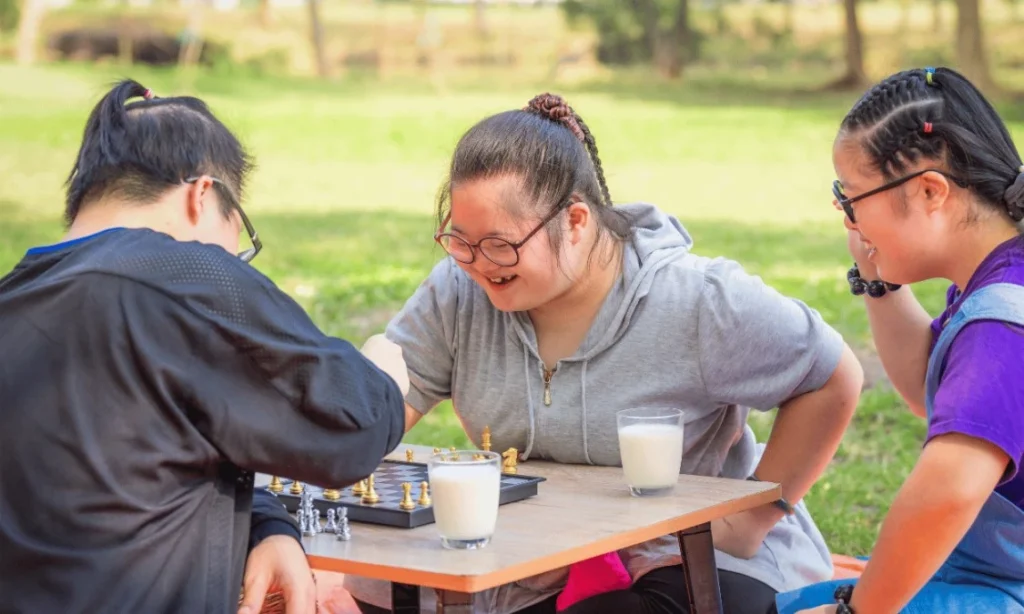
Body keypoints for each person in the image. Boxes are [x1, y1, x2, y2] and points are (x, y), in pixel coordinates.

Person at [345, 92, 864, 614]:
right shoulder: (457, 294)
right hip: (539, 557)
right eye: (460, 241)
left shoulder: (696, 299)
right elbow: (384, 403)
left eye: (501, 245)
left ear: (575, 221)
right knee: (379, 586)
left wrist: (754, 516)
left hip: (685, 555)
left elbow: (832, 376)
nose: (479, 265)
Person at [0, 79, 410, 614]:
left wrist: (266, 526)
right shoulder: (184, 275)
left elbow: (134, 467)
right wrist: (383, 378)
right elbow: (350, 429)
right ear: (202, 195)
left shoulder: (16, 297)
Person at [776, 66, 1024, 614]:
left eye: (854, 196)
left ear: (931, 190)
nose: (846, 214)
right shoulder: (1000, 278)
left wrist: (856, 612)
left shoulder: (1001, 325)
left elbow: (950, 491)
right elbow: (922, 384)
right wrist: (876, 273)